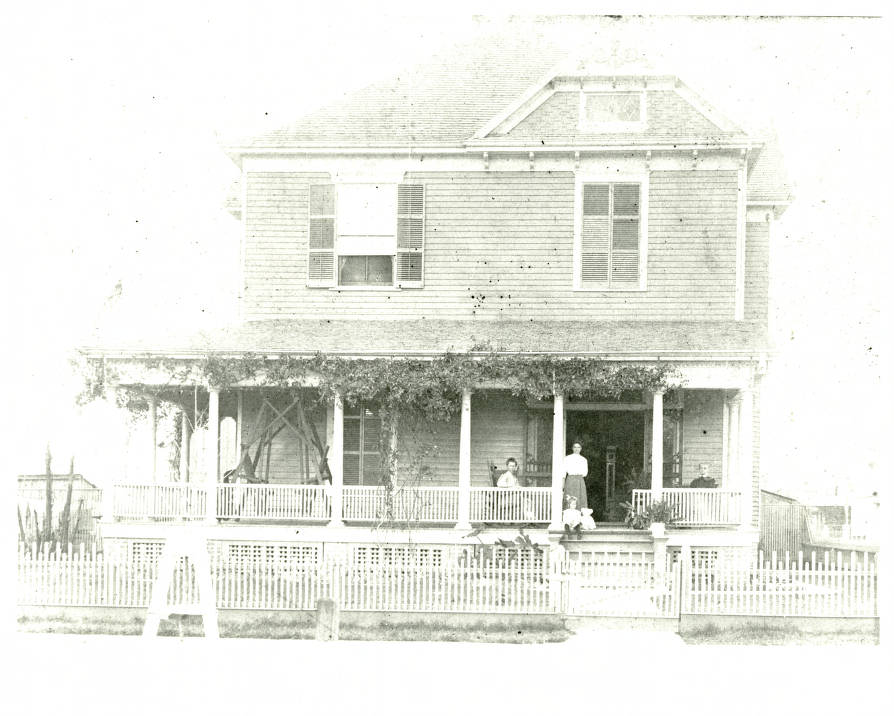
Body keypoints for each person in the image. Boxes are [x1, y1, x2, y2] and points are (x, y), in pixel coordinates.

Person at [562, 441, 588, 509]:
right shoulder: (567, 458)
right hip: (570, 479)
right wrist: (563, 483)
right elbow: (563, 471)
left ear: (581, 448)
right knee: (569, 497)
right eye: (575, 447)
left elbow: (585, 473)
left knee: (580, 498)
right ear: (572, 448)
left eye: (578, 447)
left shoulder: (584, 460)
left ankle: (579, 517)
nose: (577, 449)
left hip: (580, 480)